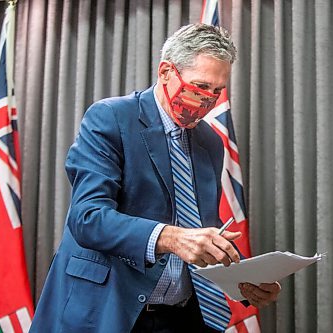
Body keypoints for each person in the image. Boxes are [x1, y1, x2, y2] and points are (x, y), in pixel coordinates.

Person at [30, 24, 281, 333]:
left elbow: (201, 231)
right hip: (108, 311)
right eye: (199, 86)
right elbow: (88, 219)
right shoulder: (111, 117)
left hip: (180, 316)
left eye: (217, 91)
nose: (207, 101)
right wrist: (172, 238)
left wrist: (244, 279)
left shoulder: (211, 142)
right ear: (165, 72)